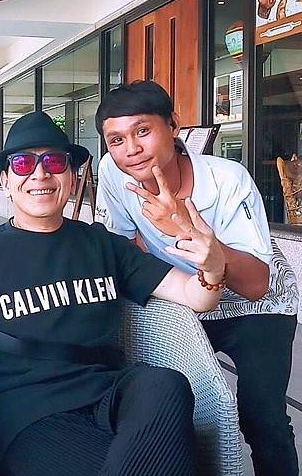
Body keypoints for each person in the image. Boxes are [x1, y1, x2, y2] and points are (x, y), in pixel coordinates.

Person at [0, 111, 227, 476]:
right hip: (28, 415)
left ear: (73, 177)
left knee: (165, 382)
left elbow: (196, 296)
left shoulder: (103, 244)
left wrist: (213, 267)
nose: (40, 174)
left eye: (54, 161)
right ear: (5, 181)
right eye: (23, 163)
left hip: (109, 393)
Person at [94, 80, 299, 476]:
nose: (131, 149)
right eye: (116, 140)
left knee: (262, 415)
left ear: (173, 125)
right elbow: (123, 244)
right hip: (185, 298)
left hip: (258, 304)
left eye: (142, 131)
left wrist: (184, 230)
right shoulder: (113, 173)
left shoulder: (227, 179)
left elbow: (256, 283)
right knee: (171, 403)